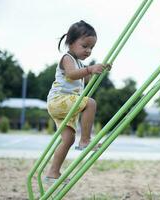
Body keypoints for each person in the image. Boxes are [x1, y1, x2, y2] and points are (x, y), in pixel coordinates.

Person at [45, 20, 111, 181]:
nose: (88, 51)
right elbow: (71, 75)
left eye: (91, 47)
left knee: (68, 139)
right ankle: (85, 140)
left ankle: (53, 173)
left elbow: (85, 79)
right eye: (85, 46)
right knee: (91, 103)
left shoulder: (79, 63)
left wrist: (99, 70)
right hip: (59, 101)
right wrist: (89, 68)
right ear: (71, 42)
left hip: (64, 105)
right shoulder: (67, 58)